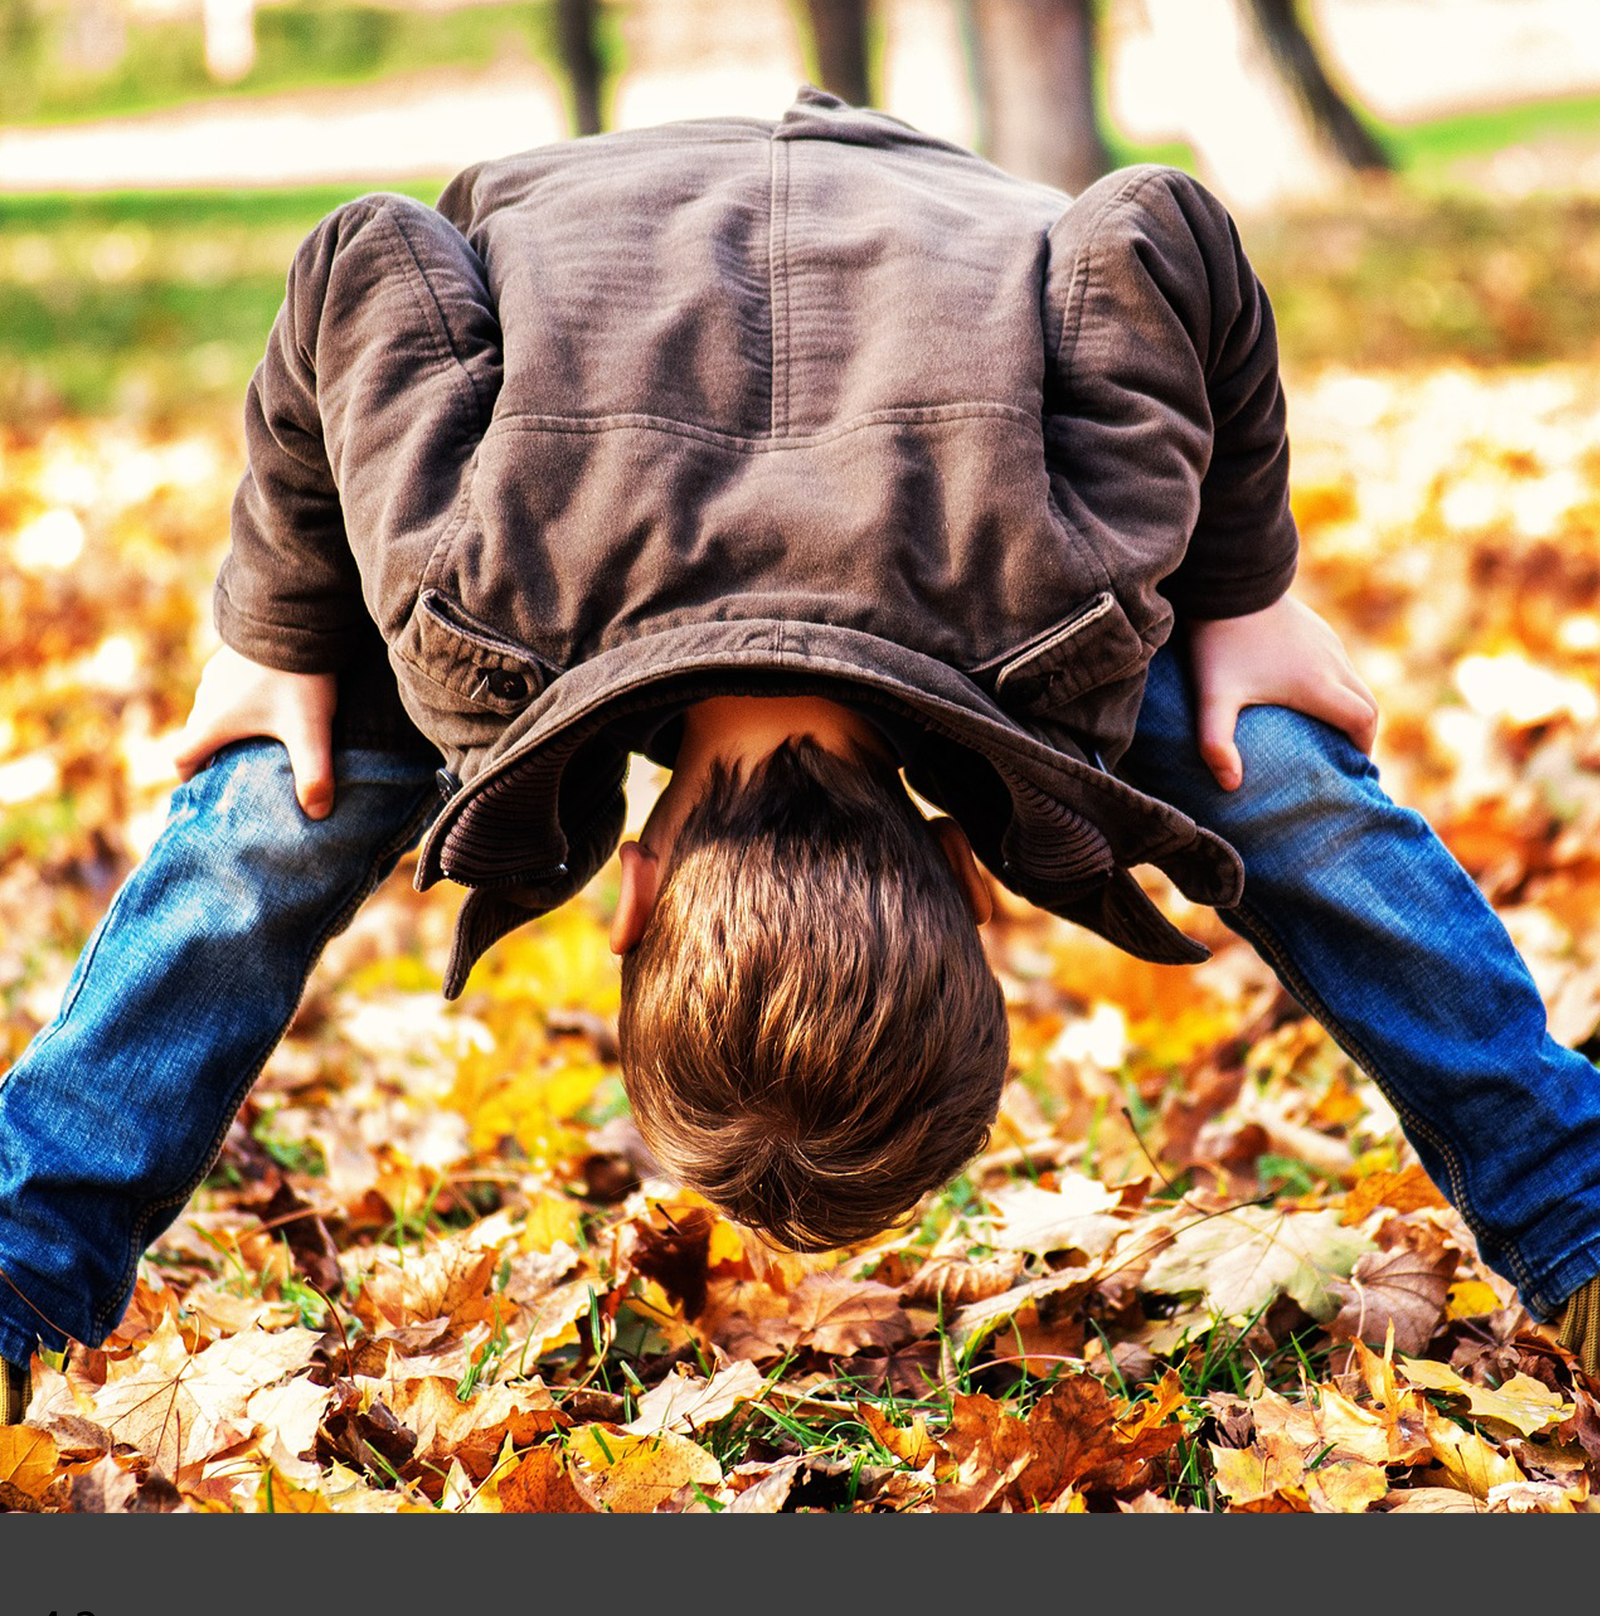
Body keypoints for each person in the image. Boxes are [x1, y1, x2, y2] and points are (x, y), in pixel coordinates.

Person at [2, 100, 1600, 1393]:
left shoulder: (1065, 599)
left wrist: (1239, 605)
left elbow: (1158, 231)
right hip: (726, 283)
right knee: (299, 780)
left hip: (868, 251)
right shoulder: (471, 619)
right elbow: (366, 263)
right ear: (634, 899)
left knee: (1267, 768)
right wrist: (280, 644)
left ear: (965, 886)